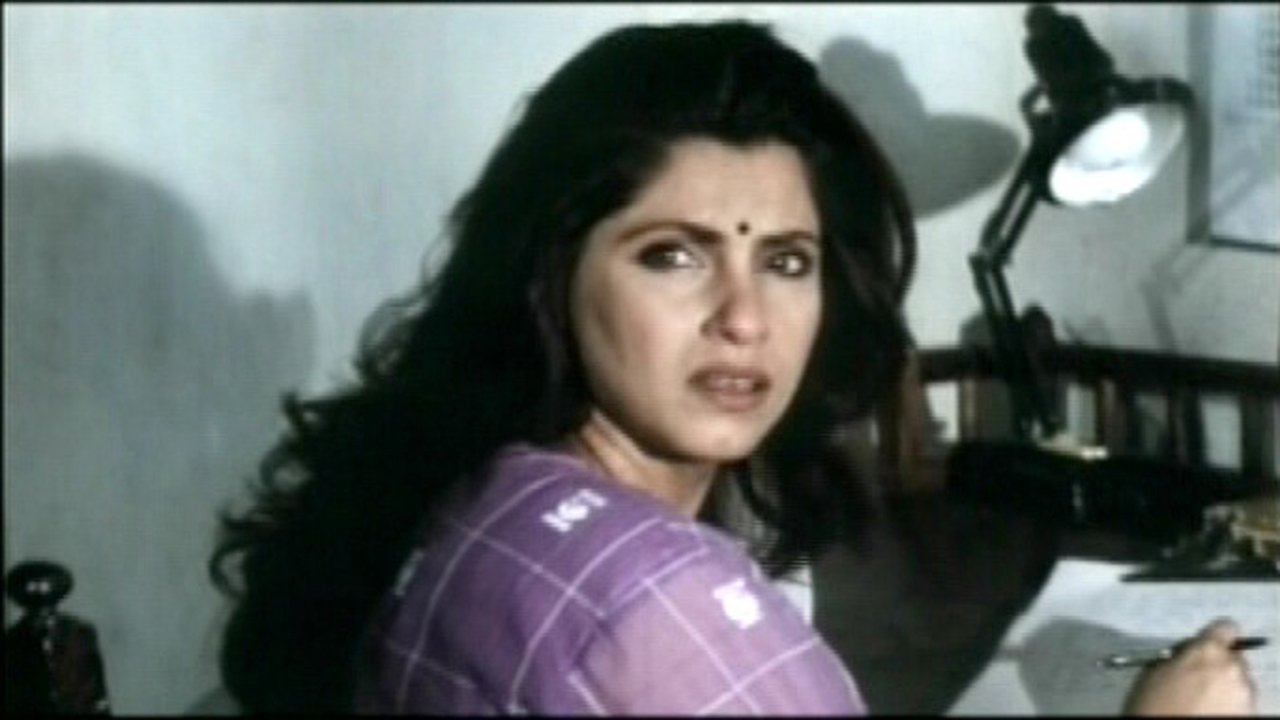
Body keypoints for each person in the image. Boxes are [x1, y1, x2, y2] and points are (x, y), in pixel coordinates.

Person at [209, 20, 1257, 715]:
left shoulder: (489, 493)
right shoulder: (660, 603)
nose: (745, 319)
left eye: (786, 261)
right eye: (674, 256)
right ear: (550, 274)